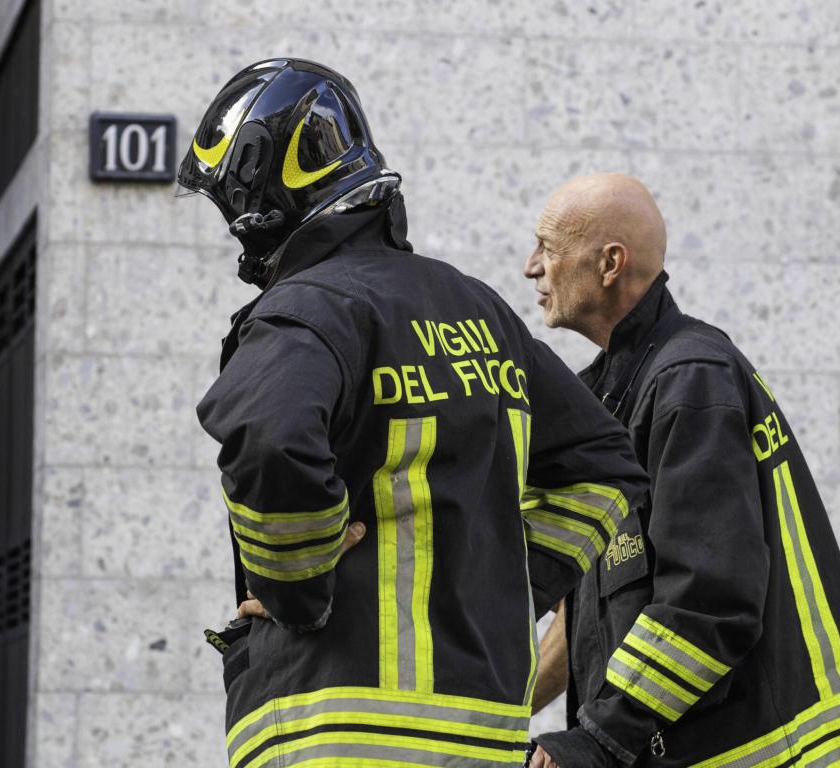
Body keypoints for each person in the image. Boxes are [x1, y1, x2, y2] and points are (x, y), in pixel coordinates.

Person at [179, 60, 649, 768]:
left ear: (267, 197)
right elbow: (606, 469)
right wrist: (507, 581)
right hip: (481, 734)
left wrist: (296, 585)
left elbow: (267, 437)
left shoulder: (309, 309)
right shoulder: (481, 312)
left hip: (334, 727)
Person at [521, 173, 840, 768]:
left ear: (609, 264)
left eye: (548, 246)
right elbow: (583, 616)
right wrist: (499, 712)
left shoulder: (690, 381)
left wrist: (600, 737)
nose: (531, 267)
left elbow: (707, 600)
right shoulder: (616, 399)